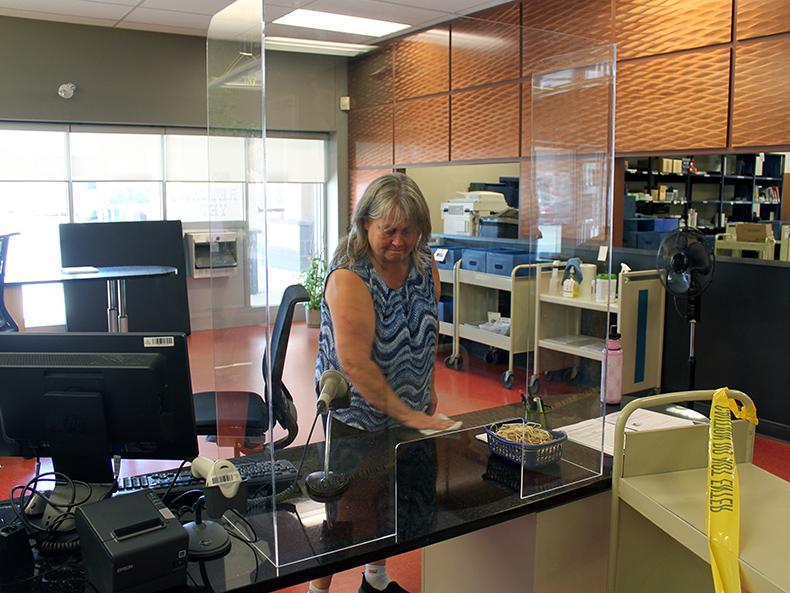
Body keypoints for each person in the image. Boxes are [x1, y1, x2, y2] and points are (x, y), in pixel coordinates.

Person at [309, 173, 455, 593]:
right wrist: (408, 411)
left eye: (408, 230)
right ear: (365, 225)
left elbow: (430, 328)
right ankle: (317, 591)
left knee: (392, 504)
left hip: (408, 407)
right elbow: (356, 363)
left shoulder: (425, 266)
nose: (399, 240)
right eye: (388, 230)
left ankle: (375, 580)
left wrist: (427, 389)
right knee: (348, 516)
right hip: (356, 414)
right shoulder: (350, 275)